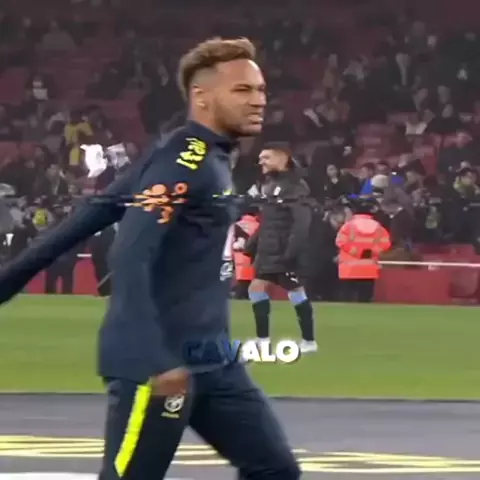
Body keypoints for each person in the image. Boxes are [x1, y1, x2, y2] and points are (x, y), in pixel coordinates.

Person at [0, 38, 300, 480]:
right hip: (158, 367)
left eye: (260, 90)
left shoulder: (200, 156)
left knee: (276, 470)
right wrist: (155, 358)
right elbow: (129, 253)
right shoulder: (184, 160)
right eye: (242, 90)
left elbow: (92, 213)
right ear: (202, 96)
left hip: (213, 360)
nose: (258, 100)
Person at [244, 144, 318, 353]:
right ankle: (263, 340)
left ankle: (309, 341)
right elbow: (269, 221)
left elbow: (301, 223)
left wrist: (292, 252)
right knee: (256, 288)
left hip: (284, 252)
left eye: (266, 157)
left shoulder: (295, 186)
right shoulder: (270, 185)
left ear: (283, 158)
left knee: (296, 292)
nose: (261, 162)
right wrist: (252, 243)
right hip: (268, 251)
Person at [335, 200, 391, 302]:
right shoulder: (378, 227)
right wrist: (371, 252)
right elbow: (386, 243)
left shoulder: (348, 226)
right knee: (365, 299)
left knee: (346, 299)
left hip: (349, 269)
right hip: (368, 269)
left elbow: (340, 242)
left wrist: (357, 252)